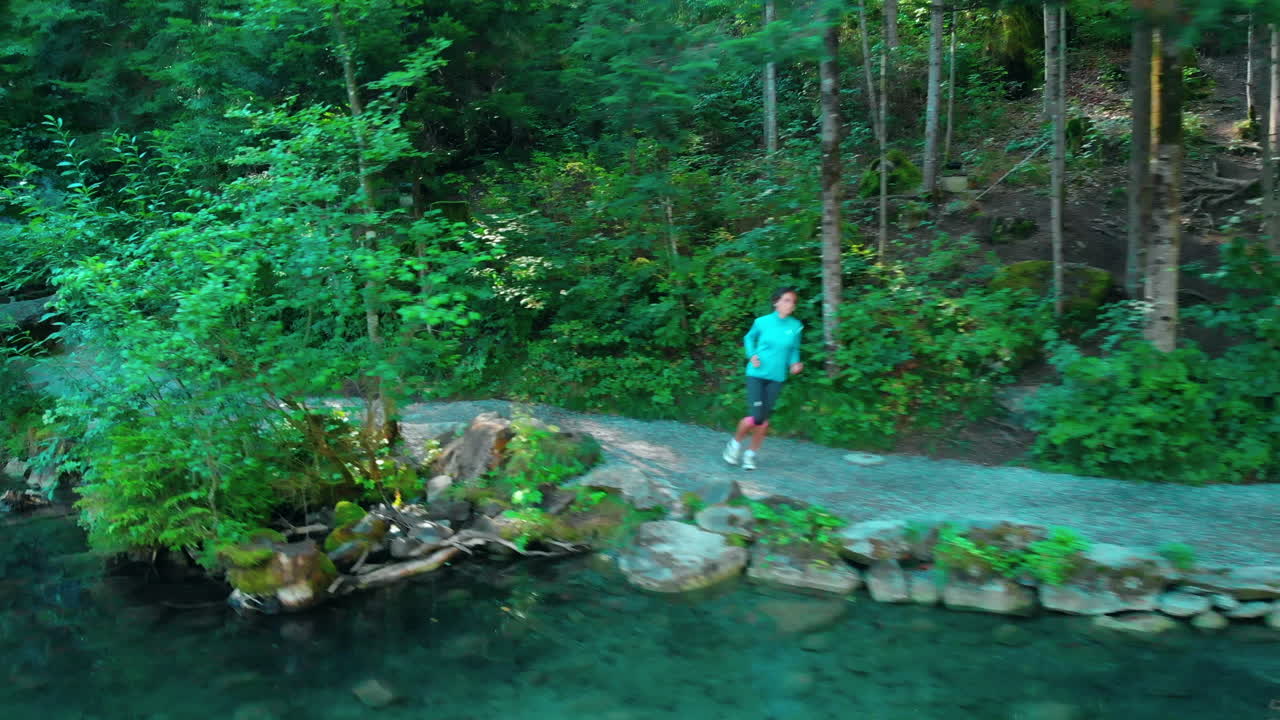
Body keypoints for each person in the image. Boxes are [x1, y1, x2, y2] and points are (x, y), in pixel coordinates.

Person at [722, 287, 802, 470]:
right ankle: (734, 444)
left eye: (793, 301)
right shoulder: (762, 322)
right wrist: (751, 355)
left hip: (777, 377)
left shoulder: (796, 326)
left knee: (763, 420)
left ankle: (750, 455)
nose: (791, 304)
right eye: (787, 300)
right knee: (756, 417)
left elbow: (794, 349)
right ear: (776, 302)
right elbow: (749, 338)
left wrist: (794, 363)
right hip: (757, 374)